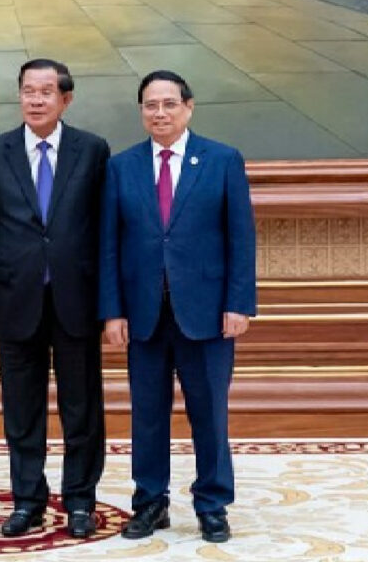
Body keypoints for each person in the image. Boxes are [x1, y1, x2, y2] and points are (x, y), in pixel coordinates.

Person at [99, 70, 256, 543]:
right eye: (151, 105)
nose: (160, 113)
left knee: (209, 413)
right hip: (143, 315)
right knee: (147, 415)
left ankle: (212, 504)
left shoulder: (222, 160)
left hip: (207, 313)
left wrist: (238, 304)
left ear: (189, 107)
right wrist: (113, 311)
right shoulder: (121, 167)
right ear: (141, 111)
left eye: (169, 104)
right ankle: (150, 502)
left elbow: (241, 237)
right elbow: (109, 244)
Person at [0, 58, 109, 539]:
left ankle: (80, 501)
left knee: (81, 409)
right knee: (22, 410)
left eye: (46, 92)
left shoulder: (92, 150)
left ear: (65, 99)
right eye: (28, 91)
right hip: (15, 300)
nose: (35, 100)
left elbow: (105, 231)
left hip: (78, 300)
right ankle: (27, 500)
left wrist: (109, 303)